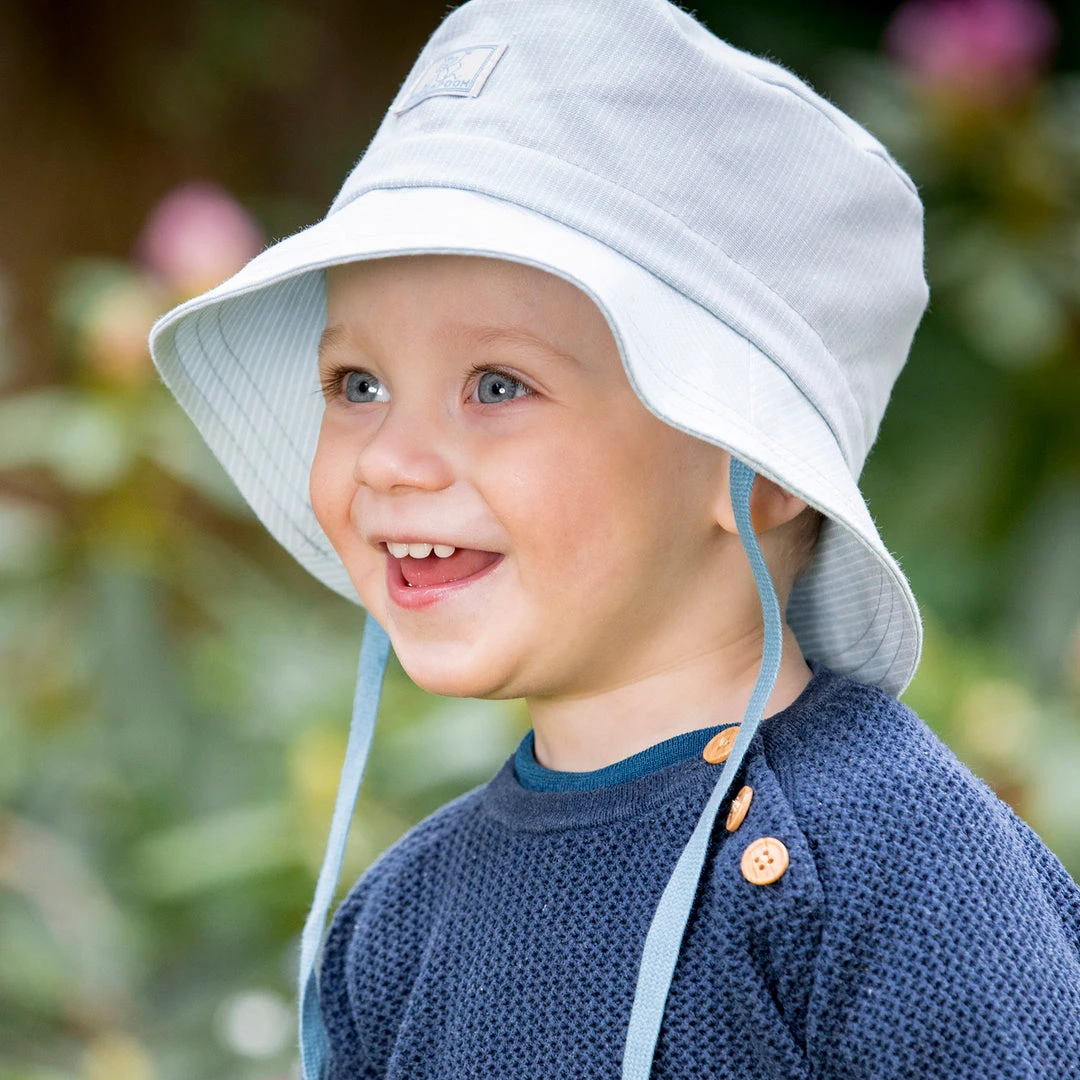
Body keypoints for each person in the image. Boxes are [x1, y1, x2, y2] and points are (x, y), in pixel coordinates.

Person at [149, 1, 1080, 1076]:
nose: (389, 461)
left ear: (761, 470)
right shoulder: (398, 925)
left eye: (496, 385)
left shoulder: (896, 867)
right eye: (357, 384)